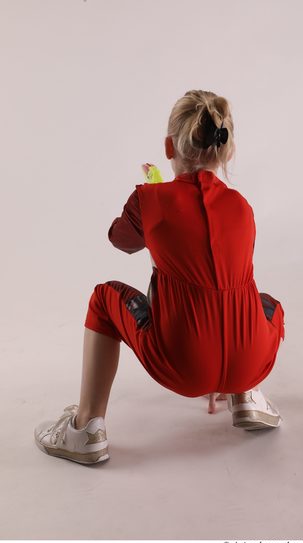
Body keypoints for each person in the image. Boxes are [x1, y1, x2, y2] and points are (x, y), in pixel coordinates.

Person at [34, 89, 285, 465]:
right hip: (249, 358)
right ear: (226, 150)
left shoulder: (151, 201)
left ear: (169, 147)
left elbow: (121, 241)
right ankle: (245, 395)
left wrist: (151, 195)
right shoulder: (242, 207)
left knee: (103, 298)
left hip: (183, 365)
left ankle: (85, 429)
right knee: (264, 303)